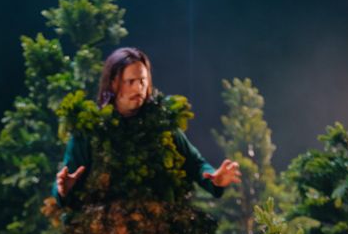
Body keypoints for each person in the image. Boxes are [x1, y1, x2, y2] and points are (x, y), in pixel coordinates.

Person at [53, 46, 241, 206]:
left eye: (142, 81)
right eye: (130, 82)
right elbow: (66, 177)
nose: (138, 88)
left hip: (158, 227)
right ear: (113, 83)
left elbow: (196, 164)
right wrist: (63, 190)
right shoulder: (91, 129)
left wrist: (215, 179)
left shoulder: (163, 125)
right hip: (106, 230)